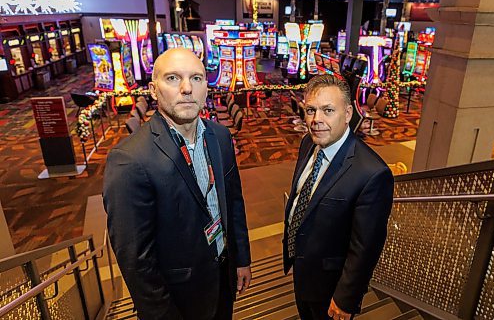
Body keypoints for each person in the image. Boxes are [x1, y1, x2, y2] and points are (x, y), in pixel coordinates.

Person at [103, 48, 252, 320]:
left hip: (222, 276)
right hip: (178, 296)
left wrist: (241, 259)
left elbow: (233, 202)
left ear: (207, 87)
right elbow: (136, 259)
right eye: (173, 78)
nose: (187, 88)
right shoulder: (129, 159)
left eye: (196, 78)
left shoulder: (219, 136)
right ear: (153, 89)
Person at [283, 74, 394, 320]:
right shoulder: (307, 144)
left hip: (331, 287)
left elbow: (365, 247)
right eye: (310, 110)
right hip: (303, 272)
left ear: (347, 113)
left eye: (328, 110)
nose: (316, 120)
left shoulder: (372, 174)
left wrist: (346, 297)